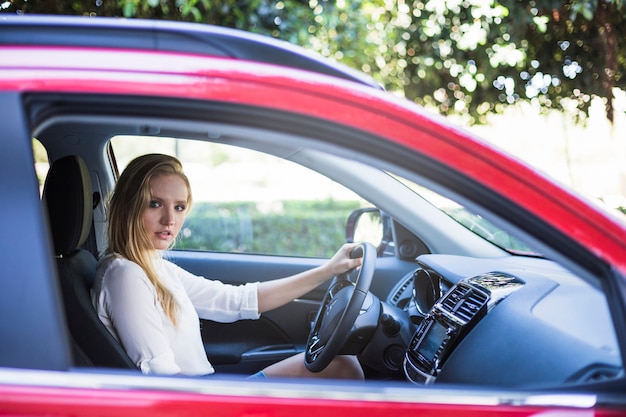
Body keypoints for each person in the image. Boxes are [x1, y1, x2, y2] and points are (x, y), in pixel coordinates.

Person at [91, 153, 364, 379]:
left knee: (342, 363)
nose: (169, 220)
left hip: (204, 392)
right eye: (155, 204)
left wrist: (329, 270)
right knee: (342, 367)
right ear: (129, 207)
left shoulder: (153, 267)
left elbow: (236, 301)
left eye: (179, 207)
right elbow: (161, 377)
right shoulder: (124, 275)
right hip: (194, 405)